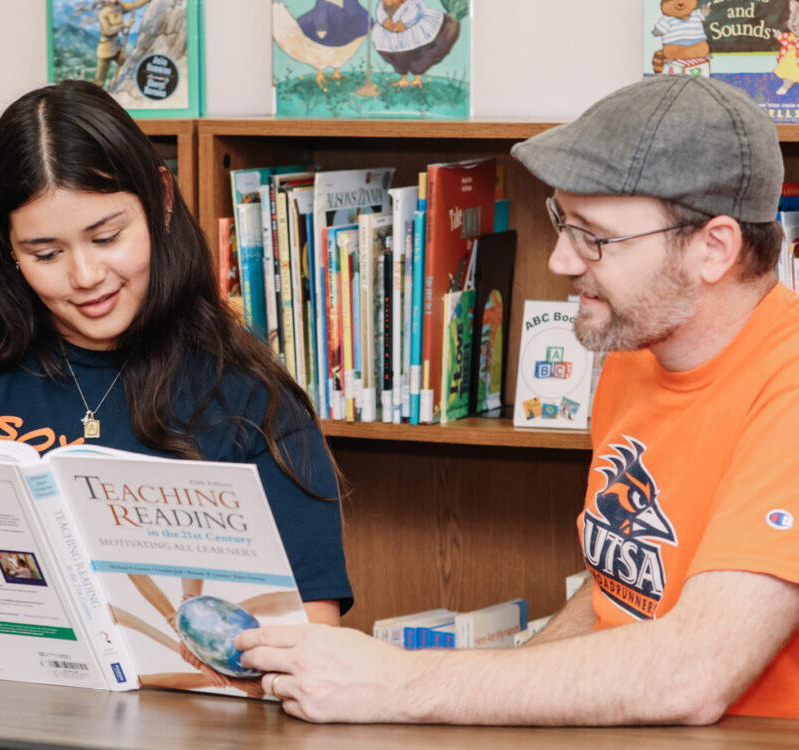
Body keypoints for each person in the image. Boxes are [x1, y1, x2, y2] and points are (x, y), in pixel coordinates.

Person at [236, 75, 799, 724]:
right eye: (564, 221)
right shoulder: (635, 349)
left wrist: (403, 684)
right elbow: (620, 591)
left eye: (596, 237)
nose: (560, 259)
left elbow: (693, 674)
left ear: (714, 248)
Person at [0, 79, 352, 656]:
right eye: (46, 253)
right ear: (4, 242)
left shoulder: (249, 398)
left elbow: (309, 650)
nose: (86, 276)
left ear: (161, 199)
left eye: (107, 237)